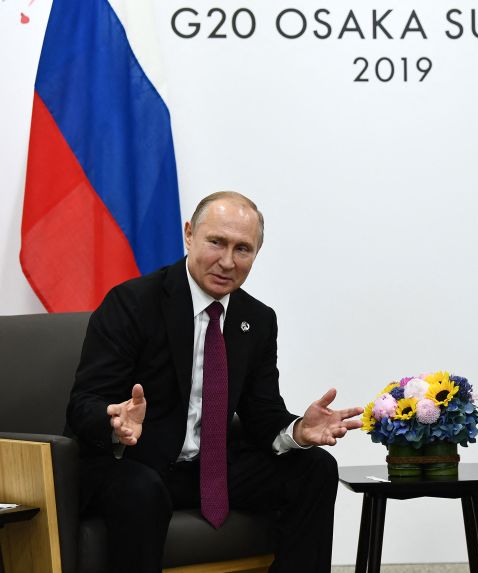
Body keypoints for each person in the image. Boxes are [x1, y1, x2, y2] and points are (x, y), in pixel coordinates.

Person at [66, 191, 363, 572]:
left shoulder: (257, 319)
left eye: (243, 249)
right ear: (189, 235)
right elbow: (83, 402)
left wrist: (297, 430)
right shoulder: (132, 302)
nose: (227, 261)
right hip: (131, 462)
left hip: (206, 469)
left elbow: (261, 414)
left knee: (314, 468)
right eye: (216, 242)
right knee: (142, 489)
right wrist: (114, 420)